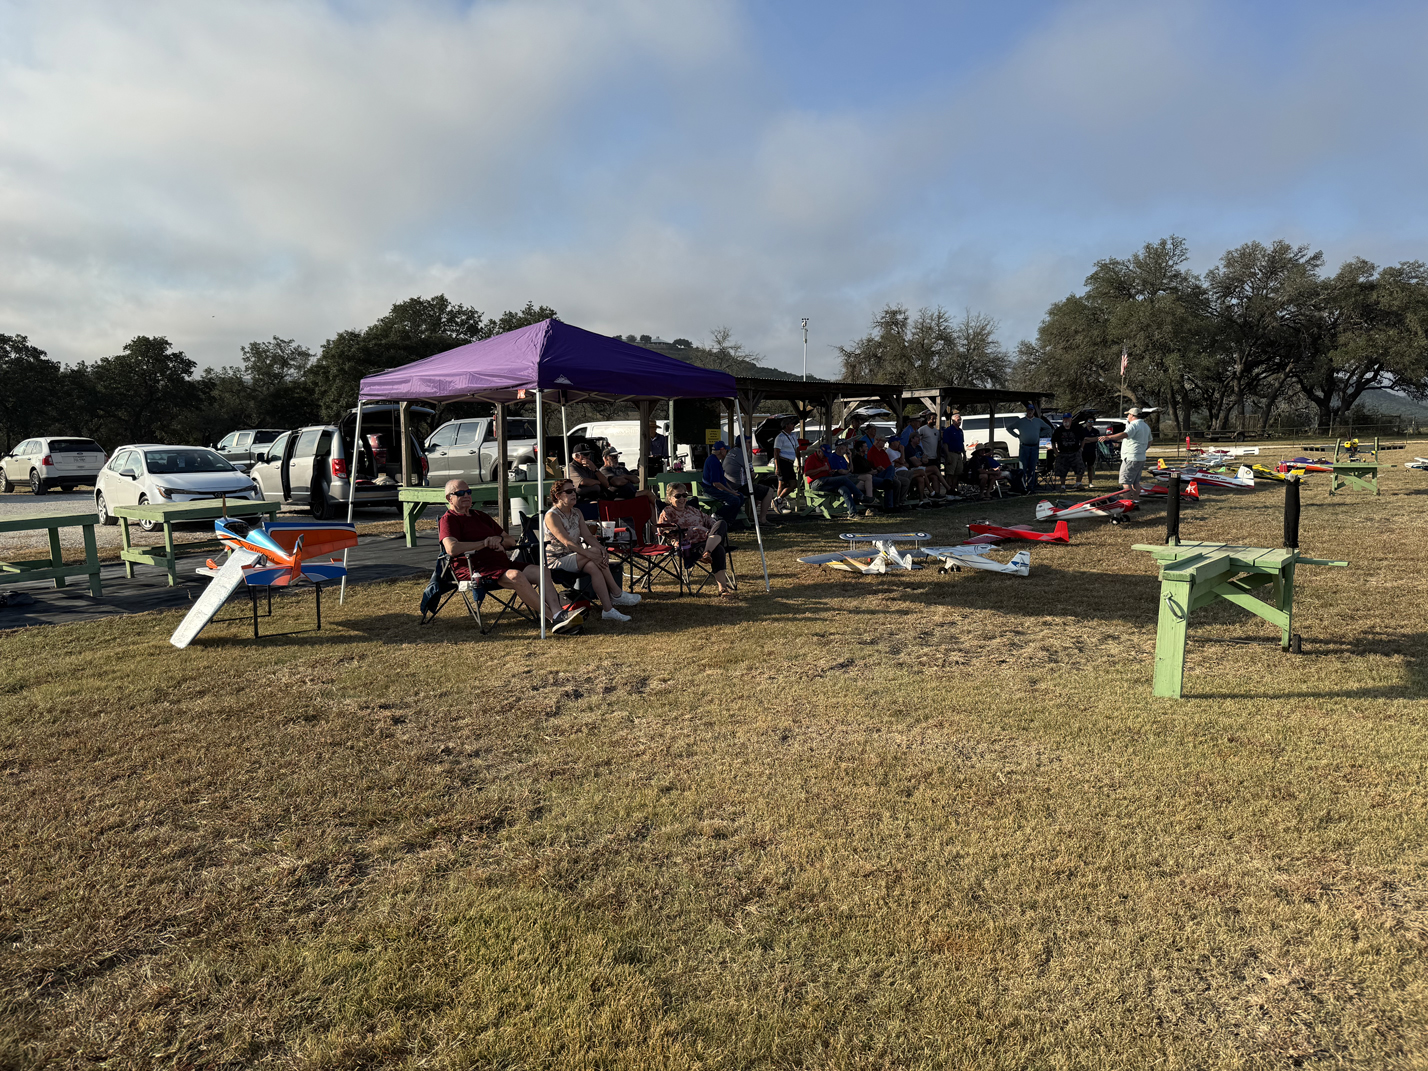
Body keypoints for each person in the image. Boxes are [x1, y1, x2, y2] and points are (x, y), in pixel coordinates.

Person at [439, 479, 580, 633]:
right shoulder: (449, 520)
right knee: (516, 576)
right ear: (449, 498)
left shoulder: (480, 516)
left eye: (468, 492)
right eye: (460, 493)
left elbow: (510, 541)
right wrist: (485, 543)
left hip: (501, 564)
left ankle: (559, 613)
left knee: (542, 571)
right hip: (476, 569)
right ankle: (554, 619)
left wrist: (498, 540)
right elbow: (452, 548)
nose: (466, 495)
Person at [544, 480, 640, 622]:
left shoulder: (577, 512)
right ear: (557, 496)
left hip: (576, 556)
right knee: (593, 555)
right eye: (569, 492)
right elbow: (567, 542)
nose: (573, 494)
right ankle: (616, 593)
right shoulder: (552, 516)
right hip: (557, 560)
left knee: (593, 566)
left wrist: (601, 549)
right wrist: (591, 553)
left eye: (574, 490)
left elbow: (588, 536)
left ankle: (608, 610)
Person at [659, 483, 735, 597]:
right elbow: (662, 530)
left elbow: (710, 521)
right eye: (678, 496)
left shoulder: (693, 510)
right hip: (689, 545)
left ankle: (707, 552)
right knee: (719, 549)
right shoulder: (668, 512)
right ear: (670, 498)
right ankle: (723, 589)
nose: (682, 499)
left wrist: (714, 528)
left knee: (721, 523)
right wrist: (686, 530)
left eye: (684, 495)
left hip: (707, 540)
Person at [723, 436, 777, 527]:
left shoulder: (731, 452)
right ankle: (762, 519)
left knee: (757, 491)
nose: (750, 445)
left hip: (728, 485)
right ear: (743, 444)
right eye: (748, 442)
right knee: (769, 491)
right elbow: (752, 475)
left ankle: (752, 516)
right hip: (738, 487)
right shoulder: (744, 455)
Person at [1099, 407, 1154, 496]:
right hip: (1141, 457)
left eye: (1128, 414)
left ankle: (1127, 501)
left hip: (1130, 458)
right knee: (1136, 482)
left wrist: (1109, 437)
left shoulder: (1133, 425)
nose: (1128, 416)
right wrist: (1143, 449)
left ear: (1132, 415)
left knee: (1126, 482)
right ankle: (1136, 501)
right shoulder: (1145, 426)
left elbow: (1124, 434)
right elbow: (1150, 440)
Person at [801, 441, 861, 518]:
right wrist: (821, 469)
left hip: (827, 482)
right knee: (843, 479)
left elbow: (827, 470)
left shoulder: (825, 459)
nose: (825, 457)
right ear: (819, 451)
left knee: (844, 489)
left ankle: (853, 513)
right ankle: (860, 496)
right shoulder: (811, 458)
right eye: (824, 455)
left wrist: (830, 472)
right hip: (817, 482)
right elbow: (806, 473)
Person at [599, 446, 661, 511]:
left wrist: (624, 476)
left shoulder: (621, 468)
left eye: (617, 457)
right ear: (605, 458)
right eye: (614, 457)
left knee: (650, 503)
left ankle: (660, 512)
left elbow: (637, 480)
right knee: (648, 494)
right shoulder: (604, 470)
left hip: (632, 493)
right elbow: (617, 482)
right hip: (619, 495)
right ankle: (662, 508)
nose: (616, 459)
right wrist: (628, 479)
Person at [1009, 402, 1052, 495]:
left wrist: (1039, 435)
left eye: (1031, 410)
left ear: (1033, 411)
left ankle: (1031, 487)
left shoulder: (1038, 421)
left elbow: (1048, 428)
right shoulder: (1021, 421)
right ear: (1026, 411)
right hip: (1024, 447)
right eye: (1028, 410)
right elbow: (1009, 428)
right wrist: (1017, 436)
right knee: (1023, 469)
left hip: (1034, 447)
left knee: (1032, 468)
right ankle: (1023, 487)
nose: (1030, 412)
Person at [699, 440, 746, 524]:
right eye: (725, 450)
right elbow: (716, 483)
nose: (727, 451)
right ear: (721, 451)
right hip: (710, 490)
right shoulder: (713, 462)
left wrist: (732, 490)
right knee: (734, 500)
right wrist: (731, 492)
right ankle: (717, 516)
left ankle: (729, 521)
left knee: (740, 497)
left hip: (715, 489)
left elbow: (722, 480)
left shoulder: (717, 461)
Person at [1051, 414, 1093, 490]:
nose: (1066, 421)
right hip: (1063, 453)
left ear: (1071, 420)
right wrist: (1056, 452)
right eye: (1064, 419)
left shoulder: (1077, 428)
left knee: (1080, 468)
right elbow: (1053, 441)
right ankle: (1062, 486)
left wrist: (1081, 449)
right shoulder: (1059, 430)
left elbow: (1083, 439)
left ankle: (1078, 483)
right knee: (1062, 470)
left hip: (1075, 452)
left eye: (1067, 419)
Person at [867, 434, 904, 509]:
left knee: (895, 482)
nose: (885, 443)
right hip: (877, 474)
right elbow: (878, 467)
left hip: (886, 474)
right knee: (890, 481)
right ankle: (889, 506)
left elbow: (888, 464)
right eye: (883, 441)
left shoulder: (883, 452)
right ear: (878, 441)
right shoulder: (872, 451)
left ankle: (896, 504)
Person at [771, 417, 801, 506]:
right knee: (782, 483)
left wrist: (799, 463)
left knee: (793, 483)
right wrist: (777, 467)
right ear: (786, 425)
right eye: (791, 424)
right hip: (782, 461)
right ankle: (779, 503)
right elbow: (776, 453)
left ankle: (778, 500)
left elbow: (797, 450)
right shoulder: (780, 437)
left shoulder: (793, 436)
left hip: (790, 462)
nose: (793, 425)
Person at [941, 409, 966, 491]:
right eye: (958, 420)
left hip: (959, 454)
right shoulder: (948, 430)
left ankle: (953, 489)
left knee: (957, 473)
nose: (960, 421)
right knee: (950, 473)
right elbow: (945, 444)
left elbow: (962, 443)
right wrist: (948, 455)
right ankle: (948, 490)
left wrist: (964, 454)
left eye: (960, 420)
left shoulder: (960, 431)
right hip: (951, 453)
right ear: (953, 421)